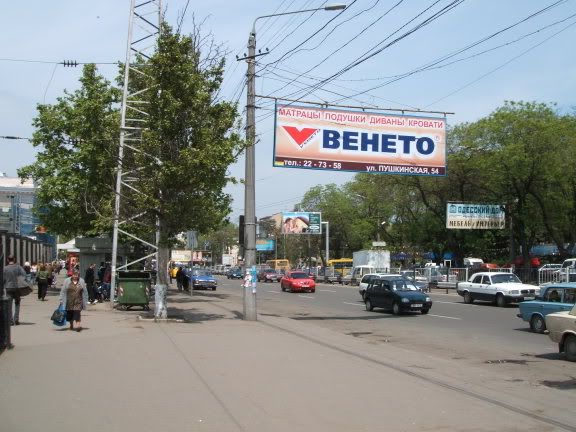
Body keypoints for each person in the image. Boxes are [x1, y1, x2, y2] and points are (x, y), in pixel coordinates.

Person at [3, 255, 29, 325]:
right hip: (17, 288)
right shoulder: (18, 267)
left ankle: (10, 321)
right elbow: (24, 275)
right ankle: (16, 319)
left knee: (9, 305)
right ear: (14, 259)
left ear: (8, 260)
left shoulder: (5, 268)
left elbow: (2, 279)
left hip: (8, 288)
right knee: (17, 303)